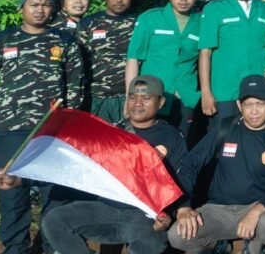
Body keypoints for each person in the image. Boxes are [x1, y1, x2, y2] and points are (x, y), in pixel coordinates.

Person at [0, 0, 85, 254]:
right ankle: (15, 248)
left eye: (46, 5)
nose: (40, 10)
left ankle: (52, 246)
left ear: (53, 9)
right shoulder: (2, 40)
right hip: (11, 129)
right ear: (22, 7)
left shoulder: (65, 41)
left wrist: (65, 120)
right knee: (11, 191)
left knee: (53, 191)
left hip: (52, 132)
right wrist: (6, 102)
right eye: (34, 4)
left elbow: (76, 86)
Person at [41, 75, 187, 254]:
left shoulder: (171, 137)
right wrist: (19, 180)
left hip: (144, 215)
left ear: (161, 102)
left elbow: (181, 182)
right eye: (132, 97)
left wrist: (169, 213)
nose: (138, 103)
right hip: (105, 209)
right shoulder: (112, 131)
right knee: (55, 220)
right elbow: (72, 166)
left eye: (146, 98)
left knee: (149, 240)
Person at [170, 75, 265, 254]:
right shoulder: (225, 128)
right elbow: (191, 163)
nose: (254, 111)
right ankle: (217, 244)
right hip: (217, 209)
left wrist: (257, 210)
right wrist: (183, 207)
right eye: (248, 104)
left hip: (255, 206)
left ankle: (253, 247)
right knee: (177, 236)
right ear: (238, 105)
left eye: (260, 104)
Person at [198, 0, 265, 125]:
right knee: (223, 145)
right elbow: (205, 52)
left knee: (254, 144)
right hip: (224, 92)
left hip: (258, 93)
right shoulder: (214, 9)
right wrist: (206, 93)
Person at [126, 0, 202, 138]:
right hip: (150, 98)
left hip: (186, 98)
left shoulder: (202, 23)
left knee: (179, 149)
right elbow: (133, 59)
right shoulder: (150, 18)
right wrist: (129, 98)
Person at [78, 0, 138, 123]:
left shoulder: (141, 23)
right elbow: (78, 63)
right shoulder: (88, 23)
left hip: (129, 97)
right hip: (95, 98)